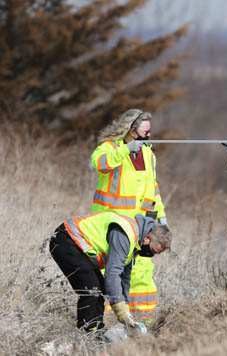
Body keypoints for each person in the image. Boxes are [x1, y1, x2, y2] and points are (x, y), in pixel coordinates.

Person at [90, 109, 167, 323]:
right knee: (112, 273)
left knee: (142, 273)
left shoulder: (148, 154)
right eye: (145, 132)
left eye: (150, 132)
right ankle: (109, 322)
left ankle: (145, 324)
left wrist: (161, 217)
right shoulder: (109, 148)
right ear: (131, 131)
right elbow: (99, 164)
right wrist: (125, 150)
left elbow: (153, 189)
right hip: (114, 227)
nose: (149, 136)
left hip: (142, 228)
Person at [49, 211, 171, 332]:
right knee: (92, 289)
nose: (151, 255)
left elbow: (124, 277)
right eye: (153, 251)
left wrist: (125, 310)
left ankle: (96, 330)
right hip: (65, 239)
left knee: (100, 289)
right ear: (147, 239)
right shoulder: (125, 234)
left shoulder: (136, 240)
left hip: (77, 245)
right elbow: (112, 274)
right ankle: (88, 333)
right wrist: (119, 310)